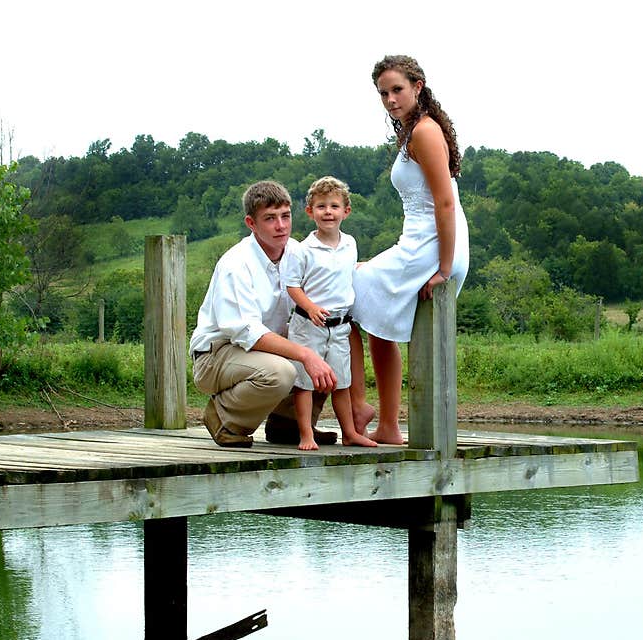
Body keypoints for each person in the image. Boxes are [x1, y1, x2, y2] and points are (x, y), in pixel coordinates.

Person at [350, 55, 469, 444]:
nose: (390, 99)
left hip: (434, 246)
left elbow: (445, 203)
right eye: (383, 93)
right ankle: (385, 422)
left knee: (348, 292)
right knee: (363, 302)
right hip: (417, 242)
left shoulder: (425, 132)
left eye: (397, 89)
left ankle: (362, 407)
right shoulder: (411, 131)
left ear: (417, 86)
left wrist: (445, 267)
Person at [189, 180, 337, 447]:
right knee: (281, 372)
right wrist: (305, 354)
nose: (281, 226)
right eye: (270, 219)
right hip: (217, 354)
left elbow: (332, 277)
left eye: (285, 216)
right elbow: (247, 332)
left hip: (264, 350)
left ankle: (288, 425)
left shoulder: (297, 251)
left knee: (330, 343)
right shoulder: (236, 264)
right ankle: (224, 418)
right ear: (251, 223)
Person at [282, 176, 377, 451]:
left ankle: (350, 432)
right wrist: (310, 307)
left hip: (340, 325)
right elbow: (292, 285)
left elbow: (347, 274)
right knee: (305, 383)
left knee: (341, 382)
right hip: (308, 324)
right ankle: (306, 435)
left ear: (346, 211)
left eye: (334, 206)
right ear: (310, 211)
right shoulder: (302, 250)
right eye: (321, 206)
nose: (328, 212)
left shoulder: (350, 244)